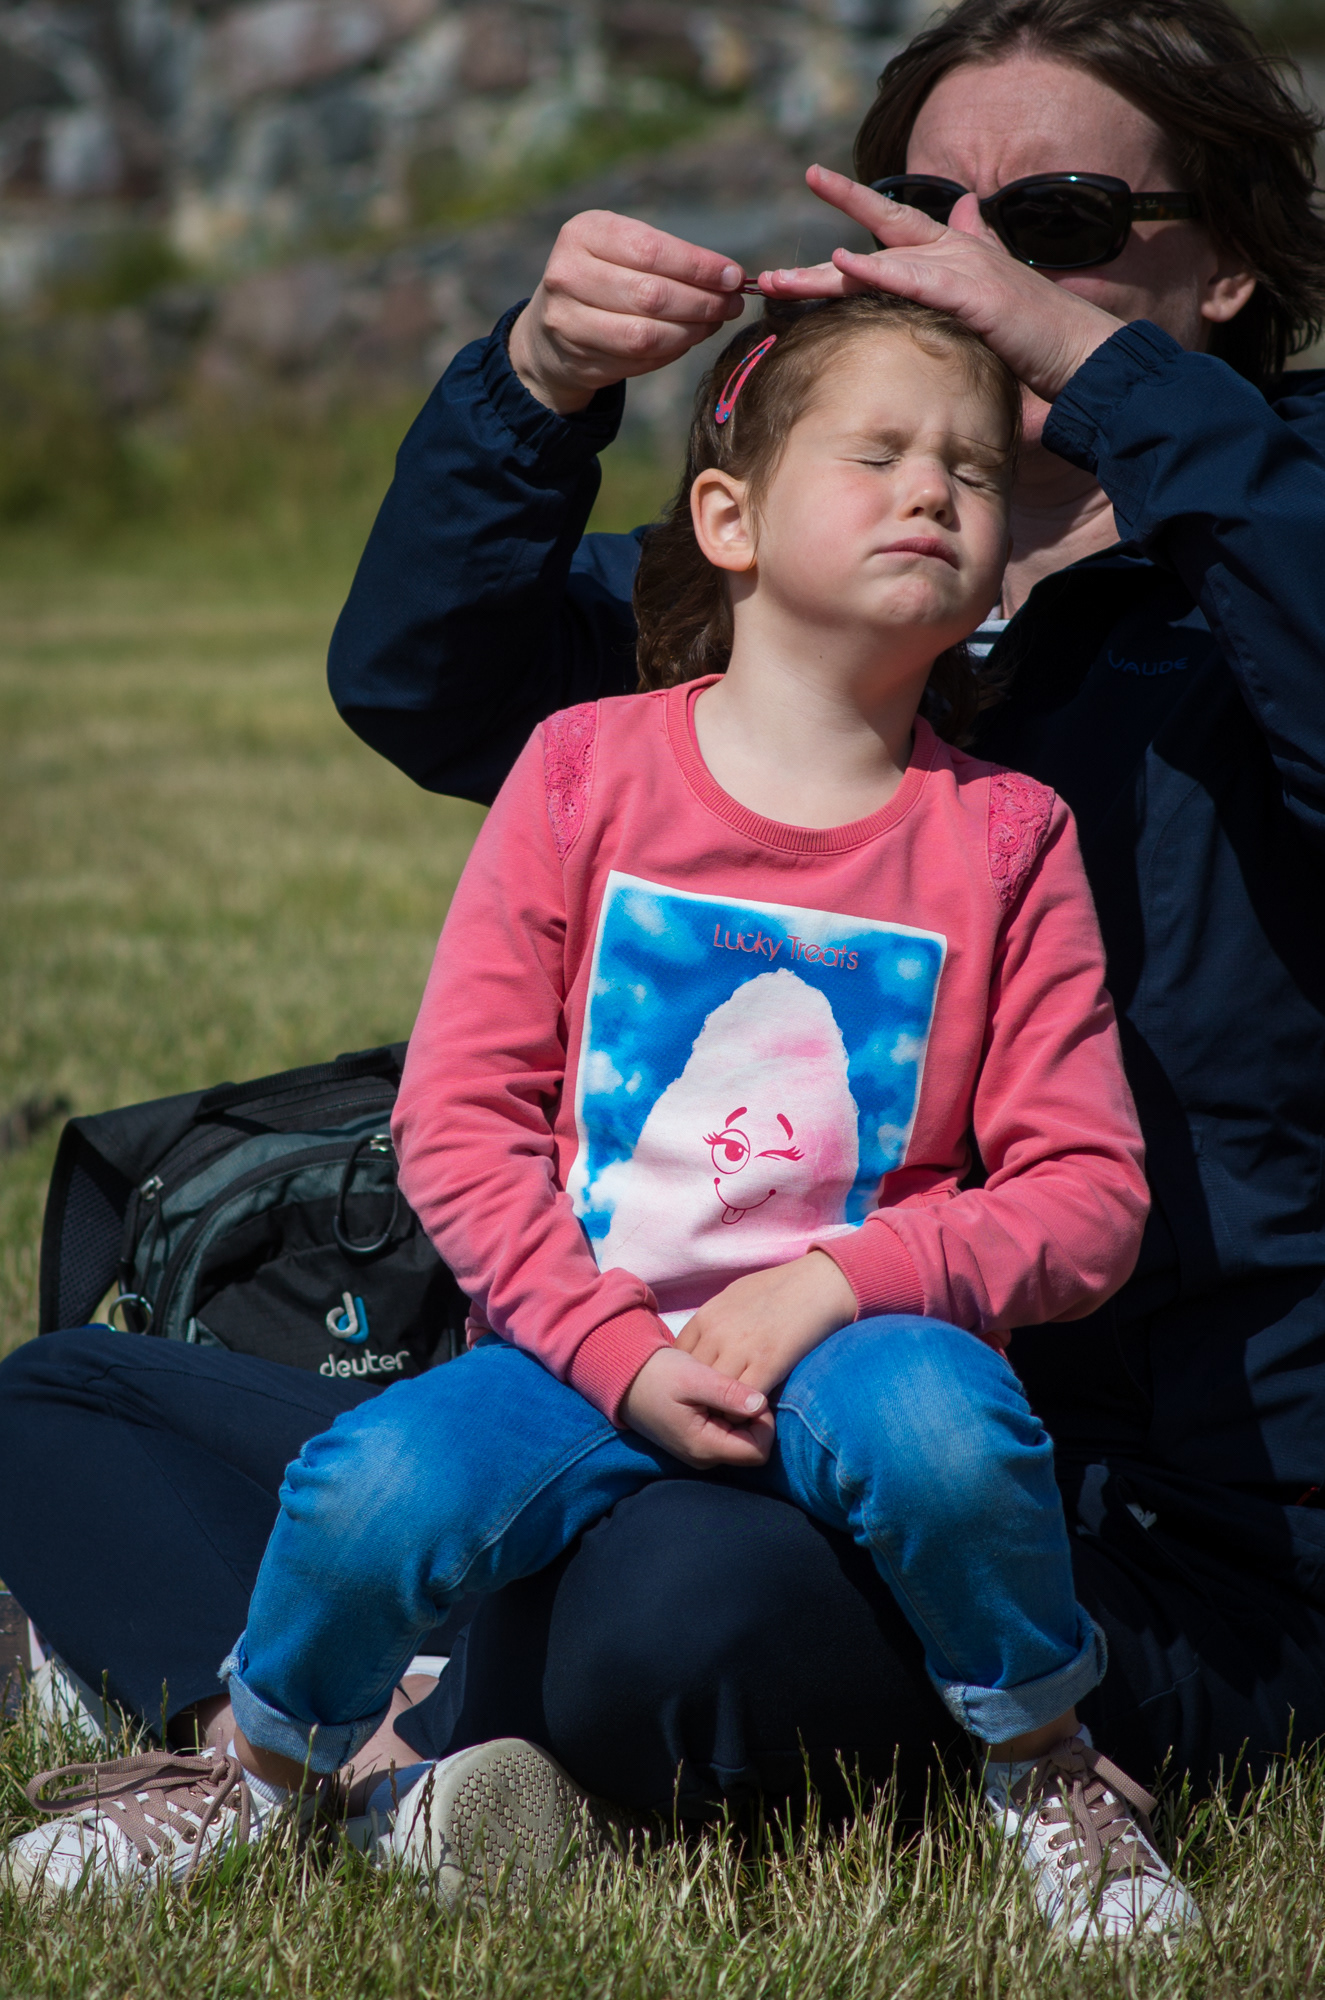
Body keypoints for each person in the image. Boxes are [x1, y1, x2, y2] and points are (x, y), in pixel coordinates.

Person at [0, 0, 1323, 1925]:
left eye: (1048, 221)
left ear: (1223, 271)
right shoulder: (793, 581)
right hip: (657, 1370)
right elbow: (425, 679)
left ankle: (391, 1701)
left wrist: (1108, 387)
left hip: (1097, 1489)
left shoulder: (1270, 529)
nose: (970, 264)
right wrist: (534, 383)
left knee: (675, 1613)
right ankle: (326, 1744)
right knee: (65, 1403)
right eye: (924, 206)